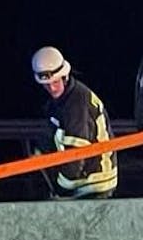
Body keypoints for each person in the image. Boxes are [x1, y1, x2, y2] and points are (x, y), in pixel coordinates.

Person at [31, 46, 117, 198]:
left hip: (94, 183)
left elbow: (77, 155)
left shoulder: (77, 102)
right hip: (84, 181)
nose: (52, 88)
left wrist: (60, 189)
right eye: (47, 84)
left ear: (64, 76)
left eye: (55, 82)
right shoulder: (58, 103)